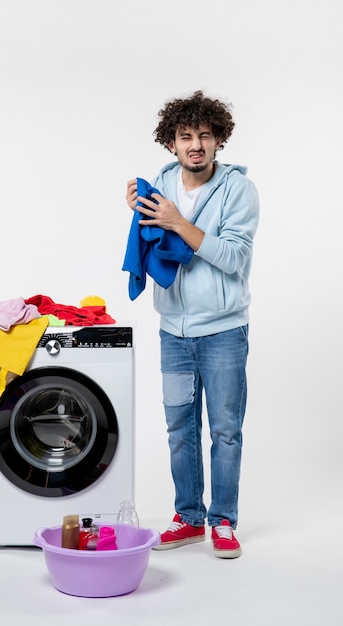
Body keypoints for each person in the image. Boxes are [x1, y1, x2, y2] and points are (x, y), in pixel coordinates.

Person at [125, 91, 259, 558]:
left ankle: (223, 521)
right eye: (186, 136)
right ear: (172, 143)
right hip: (173, 333)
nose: (195, 144)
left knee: (225, 430)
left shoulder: (239, 190)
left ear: (219, 140)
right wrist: (143, 211)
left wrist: (178, 222)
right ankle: (188, 517)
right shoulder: (161, 182)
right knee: (180, 429)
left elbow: (233, 257)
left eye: (205, 135)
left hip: (223, 332)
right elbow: (154, 236)